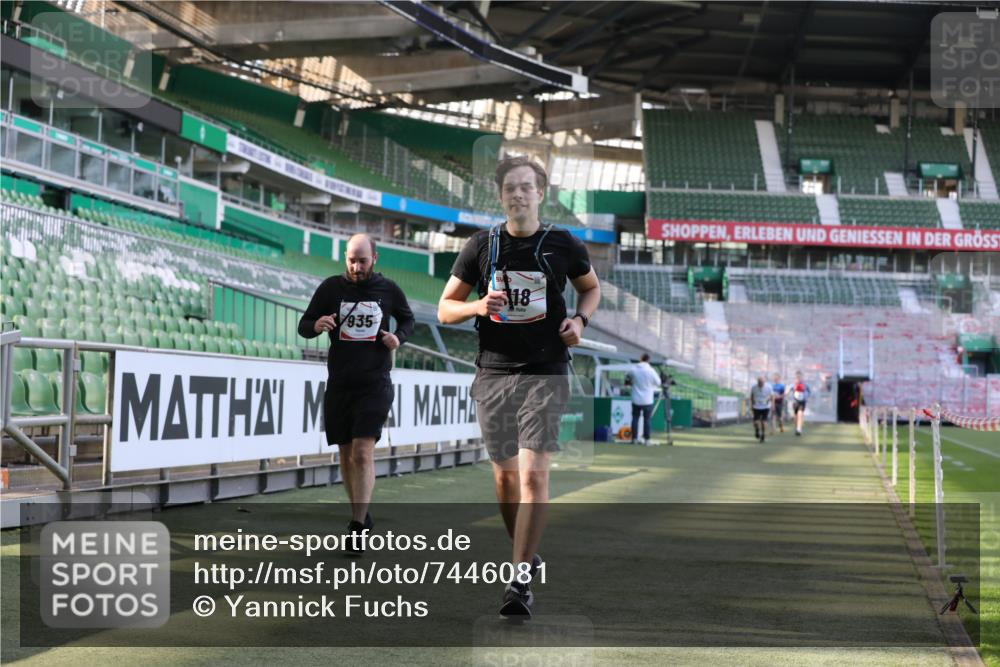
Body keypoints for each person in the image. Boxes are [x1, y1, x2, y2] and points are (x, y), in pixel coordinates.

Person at [438, 155, 600, 620]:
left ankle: (519, 580)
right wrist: (477, 307)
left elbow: (591, 289)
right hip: (493, 372)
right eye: (511, 187)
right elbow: (446, 308)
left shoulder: (562, 244)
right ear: (501, 194)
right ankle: (525, 552)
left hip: (546, 371)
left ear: (541, 193)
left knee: (533, 476)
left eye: (527, 187)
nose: (518, 195)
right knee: (506, 478)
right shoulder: (481, 246)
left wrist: (580, 320)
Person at [298, 234, 415, 556]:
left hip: (375, 382)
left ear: (374, 258)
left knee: (363, 452)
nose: (356, 266)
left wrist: (398, 337)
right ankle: (360, 515)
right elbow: (304, 325)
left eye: (362, 260)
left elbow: (409, 319)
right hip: (339, 383)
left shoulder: (388, 289)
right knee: (347, 455)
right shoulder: (331, 288)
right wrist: (317, 324)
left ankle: (357, 525)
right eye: (351, 259)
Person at [628, 353, 661, 445]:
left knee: (635, 418)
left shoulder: (634, 369)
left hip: (636, 398)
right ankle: (647, 440)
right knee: (647, 419)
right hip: (647, 400)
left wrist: (632, 381)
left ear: (641, 359)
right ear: (648, 360)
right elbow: (658, 382)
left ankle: (634, 439)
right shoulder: (651, 371)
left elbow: (627, 376)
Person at [750, 376, 772, 443]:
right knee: (756, 422)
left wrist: (771, 403)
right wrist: (751, 405)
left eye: (762, 382)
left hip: (765, 407)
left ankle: (763, 435)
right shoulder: (754, 387)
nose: (760, 384)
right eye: (759, 382)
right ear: (757, 382)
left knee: (763, 421)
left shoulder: (768, 387)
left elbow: (771, 396)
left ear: (764, 382)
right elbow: (752, 396)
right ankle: (757, 430)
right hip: (756, 406)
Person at [790, 371, 811, 436]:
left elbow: (809, 392)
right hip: (795, 402)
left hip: (802, 402)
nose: (799, 378)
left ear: (802, 377)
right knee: (795, 416)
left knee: (800, 414)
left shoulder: (805, 385)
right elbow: (788, 390)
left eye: (800, 377)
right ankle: (797, 428)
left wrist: (806, 397)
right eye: (797, 377)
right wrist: (784, 394)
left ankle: (799, 429)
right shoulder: (793, 384)